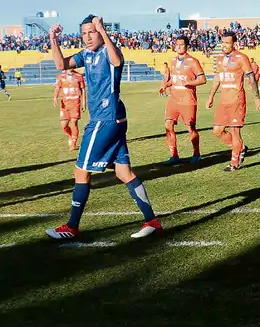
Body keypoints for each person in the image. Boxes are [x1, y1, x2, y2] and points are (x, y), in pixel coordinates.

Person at [44, 16, 162, 240]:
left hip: (104, 119)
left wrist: (104, 31)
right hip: (112, 118)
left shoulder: (109, 52)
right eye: (84, 33)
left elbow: (117, 62)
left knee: (81, 171)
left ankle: (71, 226)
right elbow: (61, 65)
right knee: (123, 171)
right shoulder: (85, 55)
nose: (88, 37)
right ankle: (152, 222)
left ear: (100, 32)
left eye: (92, 32)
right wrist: (53, 39)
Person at [206, 31, 260, 171]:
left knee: (235, 132)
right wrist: (211, 95)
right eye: (223, 42)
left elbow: (251, 78)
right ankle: (241, 148)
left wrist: (257, 98)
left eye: (227, 42)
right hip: (223, 100)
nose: (224, 45)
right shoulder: (220, 58)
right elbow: (217, 78)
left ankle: (234, 163)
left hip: (236, 100)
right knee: (217, 131)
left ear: (234, 44)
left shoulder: (241, 58)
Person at [162, 36, 206, 165]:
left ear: (187, 47)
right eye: (177, 45)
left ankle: (196, 153)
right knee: (168, 125)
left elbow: (203, 79)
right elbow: (174, 79)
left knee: (190, 128)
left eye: (182, 45)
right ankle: (174, 155)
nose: (179, 47)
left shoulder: (193, 61)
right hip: (174, 99)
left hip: (188, 100)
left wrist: (190, 82)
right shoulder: (173, 61)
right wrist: (166, 85)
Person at [53, 68, 86, 151]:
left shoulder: (79, 76)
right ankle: (71, 135)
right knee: (64, 126)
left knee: (74, 122)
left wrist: (84, 102)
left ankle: (74, 143)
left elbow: (83, 90)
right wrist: (55, 97)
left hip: (75, 103)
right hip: (64, 104)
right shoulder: (60, 76)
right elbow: (57, 87)